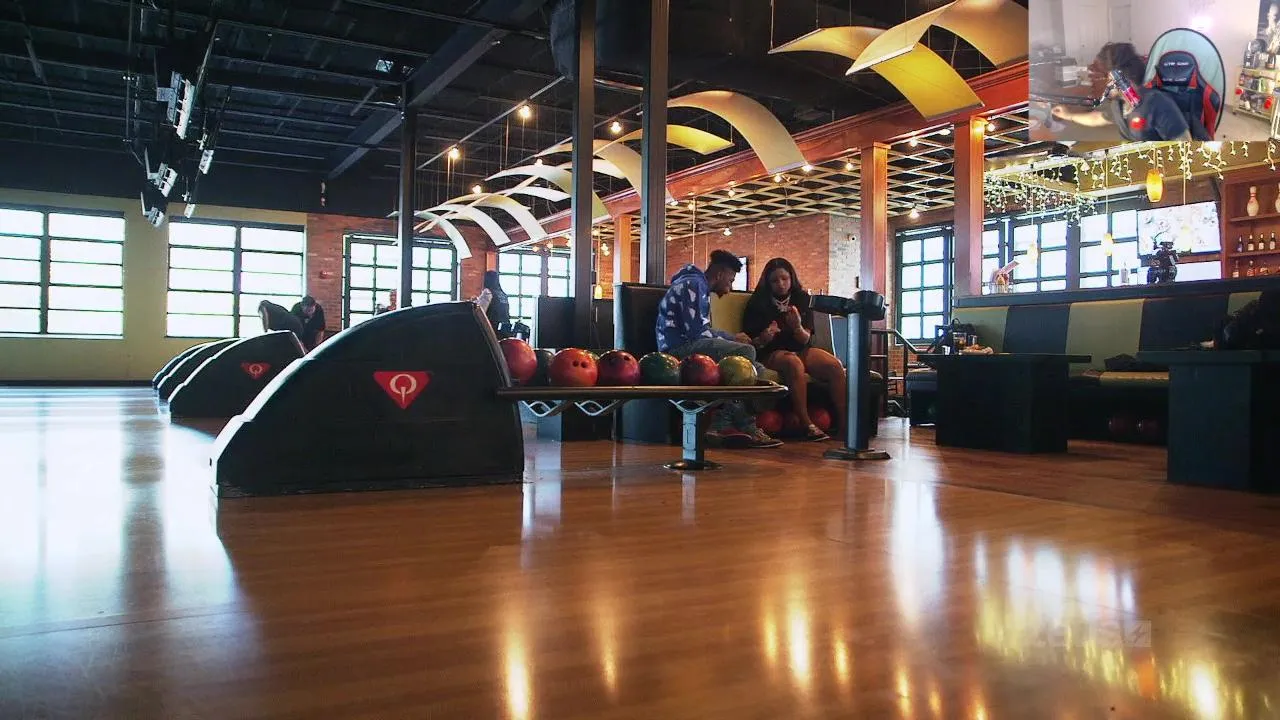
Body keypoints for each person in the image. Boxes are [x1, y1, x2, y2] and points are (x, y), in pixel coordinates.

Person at [656, 249, 782, 448]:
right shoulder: (693, 285)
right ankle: (723, 423)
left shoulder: (696, 285)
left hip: (686, 345)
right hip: (678, 349)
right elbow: (695, 333)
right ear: (720, 274)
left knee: (756, 369)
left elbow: (700, 330)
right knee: (746, 352)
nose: (730, 288)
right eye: (730, 281)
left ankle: (738, 425)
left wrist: (732, 338)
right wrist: (733, 338)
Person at [742, 259, 849, 441]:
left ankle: (846, 425)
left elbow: (806, 339)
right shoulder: (757, 303)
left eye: (784, 279)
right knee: (793, 363)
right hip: (771, 352)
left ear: (791, 278)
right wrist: (764, 337)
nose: (780, 284)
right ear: (767, 283)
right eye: (775, 280)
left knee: (834, 365)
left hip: (801, 349)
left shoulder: (802, 299)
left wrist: (797, 327)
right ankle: (807, 425)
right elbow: (752, 344)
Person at [1050, 42, 1196, 141]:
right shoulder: (1118, 103)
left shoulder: (1157, 104)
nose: (1091, 80)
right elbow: (1097, 118)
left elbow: (1184, 146)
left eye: (1098, 74)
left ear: (1116, 77)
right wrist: (1068, 115)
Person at [476, 270, 512, 334]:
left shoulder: (487, 292)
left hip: (491, 330)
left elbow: (480, 312)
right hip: (504, 330)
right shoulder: (503, 294)